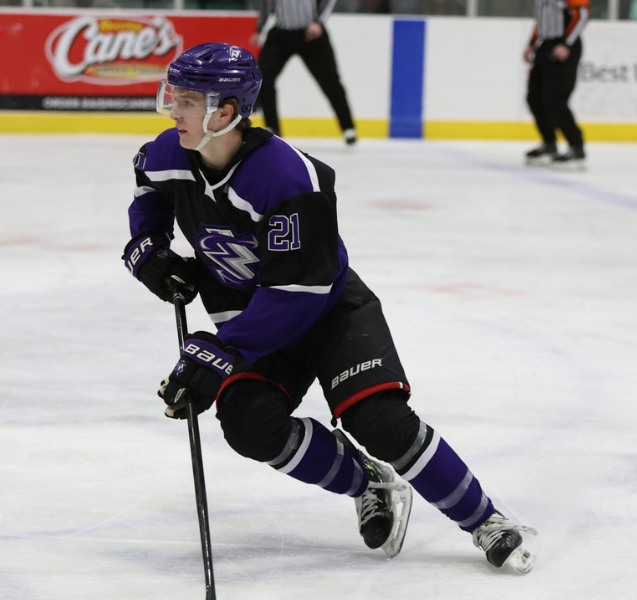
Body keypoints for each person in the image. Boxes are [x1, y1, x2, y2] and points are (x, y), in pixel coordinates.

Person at [122, 42, 537, 572]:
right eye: (172, 94)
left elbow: (298, 292)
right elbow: (148, 191)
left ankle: (487, 521)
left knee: (379, 420)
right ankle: (370, 483)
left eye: (185, 99)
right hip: (252, 325)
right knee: (249, 424)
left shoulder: (288, 178)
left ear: (224, 112)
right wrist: (148, 248)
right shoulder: (166, 154)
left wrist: (221, 351)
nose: (170, 108)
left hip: (329, 313)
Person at [253, 0, 358, 145]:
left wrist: (319, 22)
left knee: (330, 81)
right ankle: (272, 128)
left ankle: (348, 127)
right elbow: (266, 4)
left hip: (311, 34)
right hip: (281, 33)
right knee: (263, 77)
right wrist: (259, 28)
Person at [523, 0, 590, 170]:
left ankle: (576, 147)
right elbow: (543, 20)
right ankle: (549, 143)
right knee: (534, 97)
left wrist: (567, 44)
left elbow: (581, 15)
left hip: (564, 46)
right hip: (545, 45)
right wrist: (532, 44)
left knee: (555, 99)